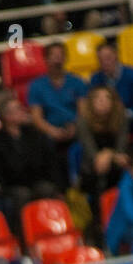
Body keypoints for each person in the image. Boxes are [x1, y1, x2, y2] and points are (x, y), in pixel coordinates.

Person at [0, 94, 64, 234]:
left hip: (36, 179)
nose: (22, 111)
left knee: (47, 189)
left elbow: (48, 161)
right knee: (22, 195)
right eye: (17, 109)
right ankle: (25, 236)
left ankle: (53, 231)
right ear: (6, 116)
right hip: (11, 184)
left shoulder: (35, 134)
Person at [27, 41, 88, 170]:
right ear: (46, 59)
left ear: (66, 58)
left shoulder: (77, 82)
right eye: (54, 56)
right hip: (49, 131)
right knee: (40, 143)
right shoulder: (36, 86)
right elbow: (36, 117)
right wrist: (52, 131)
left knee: (87, 136)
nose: (57, 60)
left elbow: (83, 111)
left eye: (61, 55)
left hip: (75, 128)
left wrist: (75, 127)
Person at [77, 84, 129, 203]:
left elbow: (121, 148)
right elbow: (90, 151)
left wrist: (108, 154)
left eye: (107, 98)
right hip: (91, 165)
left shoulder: (121, 118)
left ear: (113, 102)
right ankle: (99, 214)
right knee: (98, 170)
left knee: (124, 167)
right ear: (91, 102)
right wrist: (106, 156)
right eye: (98, 98)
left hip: (117, 161)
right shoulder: (82, 121)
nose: (102, 101)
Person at [89, 41, 133, 124]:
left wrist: (129, 114)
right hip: (105, 122)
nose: (105, 62)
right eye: (100, 59)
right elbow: (91, 105)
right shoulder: (96, 78)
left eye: (108, 58)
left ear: (116, 55)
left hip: (131, 120)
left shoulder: (132, 74)